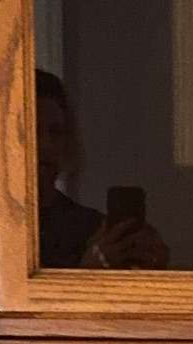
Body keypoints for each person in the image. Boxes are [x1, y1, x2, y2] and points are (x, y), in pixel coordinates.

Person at [35, 71, 168, 268]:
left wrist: (154, 272)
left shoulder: (91, 228)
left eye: (56, 132)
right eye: (32, 130)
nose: (47, 144)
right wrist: (88, 273)